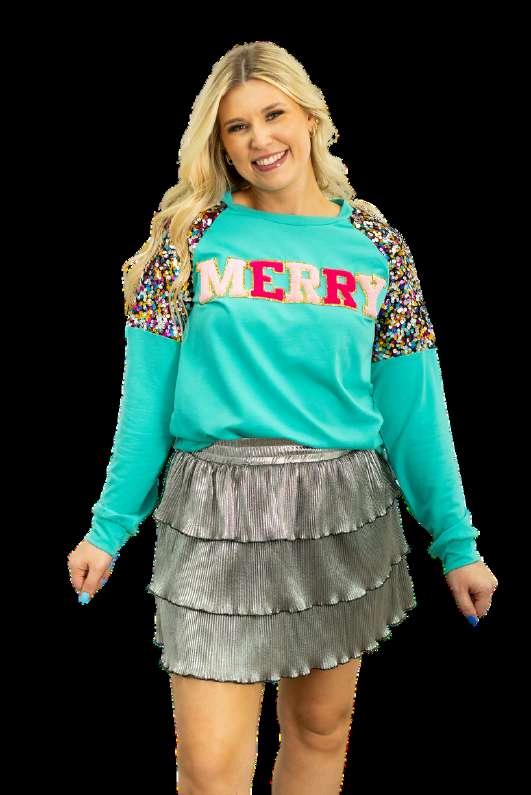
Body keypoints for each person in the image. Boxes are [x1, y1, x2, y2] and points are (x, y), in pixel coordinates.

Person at [67, 40, 498, 795]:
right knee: (209, 766)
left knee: (320, 731)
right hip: (215, 509)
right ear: (219, 143)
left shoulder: (376, 245)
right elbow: (146, 404)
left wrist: (456, 543)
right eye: (237, 127)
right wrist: (108, 527)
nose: (259, 139)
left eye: (273, 115)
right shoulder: (187, 240)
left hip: (340, 508)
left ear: (310, 118)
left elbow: (413, 408)